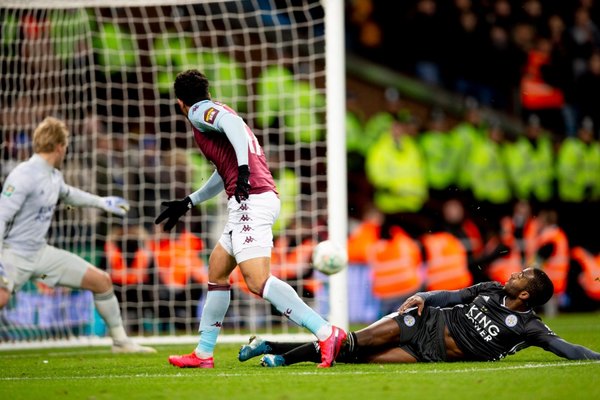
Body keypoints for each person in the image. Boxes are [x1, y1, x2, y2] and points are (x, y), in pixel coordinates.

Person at [155, 69, 345, 369]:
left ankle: (325, 331)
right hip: (248, 198)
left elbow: (233, 126)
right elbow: (223, 170)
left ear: (180, 102)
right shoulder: (215, 113)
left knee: (257, 282)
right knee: (217, 270)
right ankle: (203, 353)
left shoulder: (199, 112)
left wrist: (243, 171)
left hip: (250, 199)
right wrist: (190, 201)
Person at [0, 116, 155, 353]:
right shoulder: (24, 175)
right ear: (61, 146)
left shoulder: (53, 175)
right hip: (13, 255)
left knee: (101, 281)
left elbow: (69, 194)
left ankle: (121, 342)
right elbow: (1, 215)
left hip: (40, 254)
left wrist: (102, 202)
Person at [238, 268, 600, 367]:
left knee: (353, 357)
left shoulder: (529, 327)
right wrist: (425, 296)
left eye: (521, 276)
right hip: (423, 321)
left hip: (430, 353)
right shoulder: (490, 288)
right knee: (350, 343)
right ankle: (280, 355)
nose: (513, 274)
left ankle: (271, 344)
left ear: (525, 295)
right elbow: (454, 296)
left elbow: (565, 348)